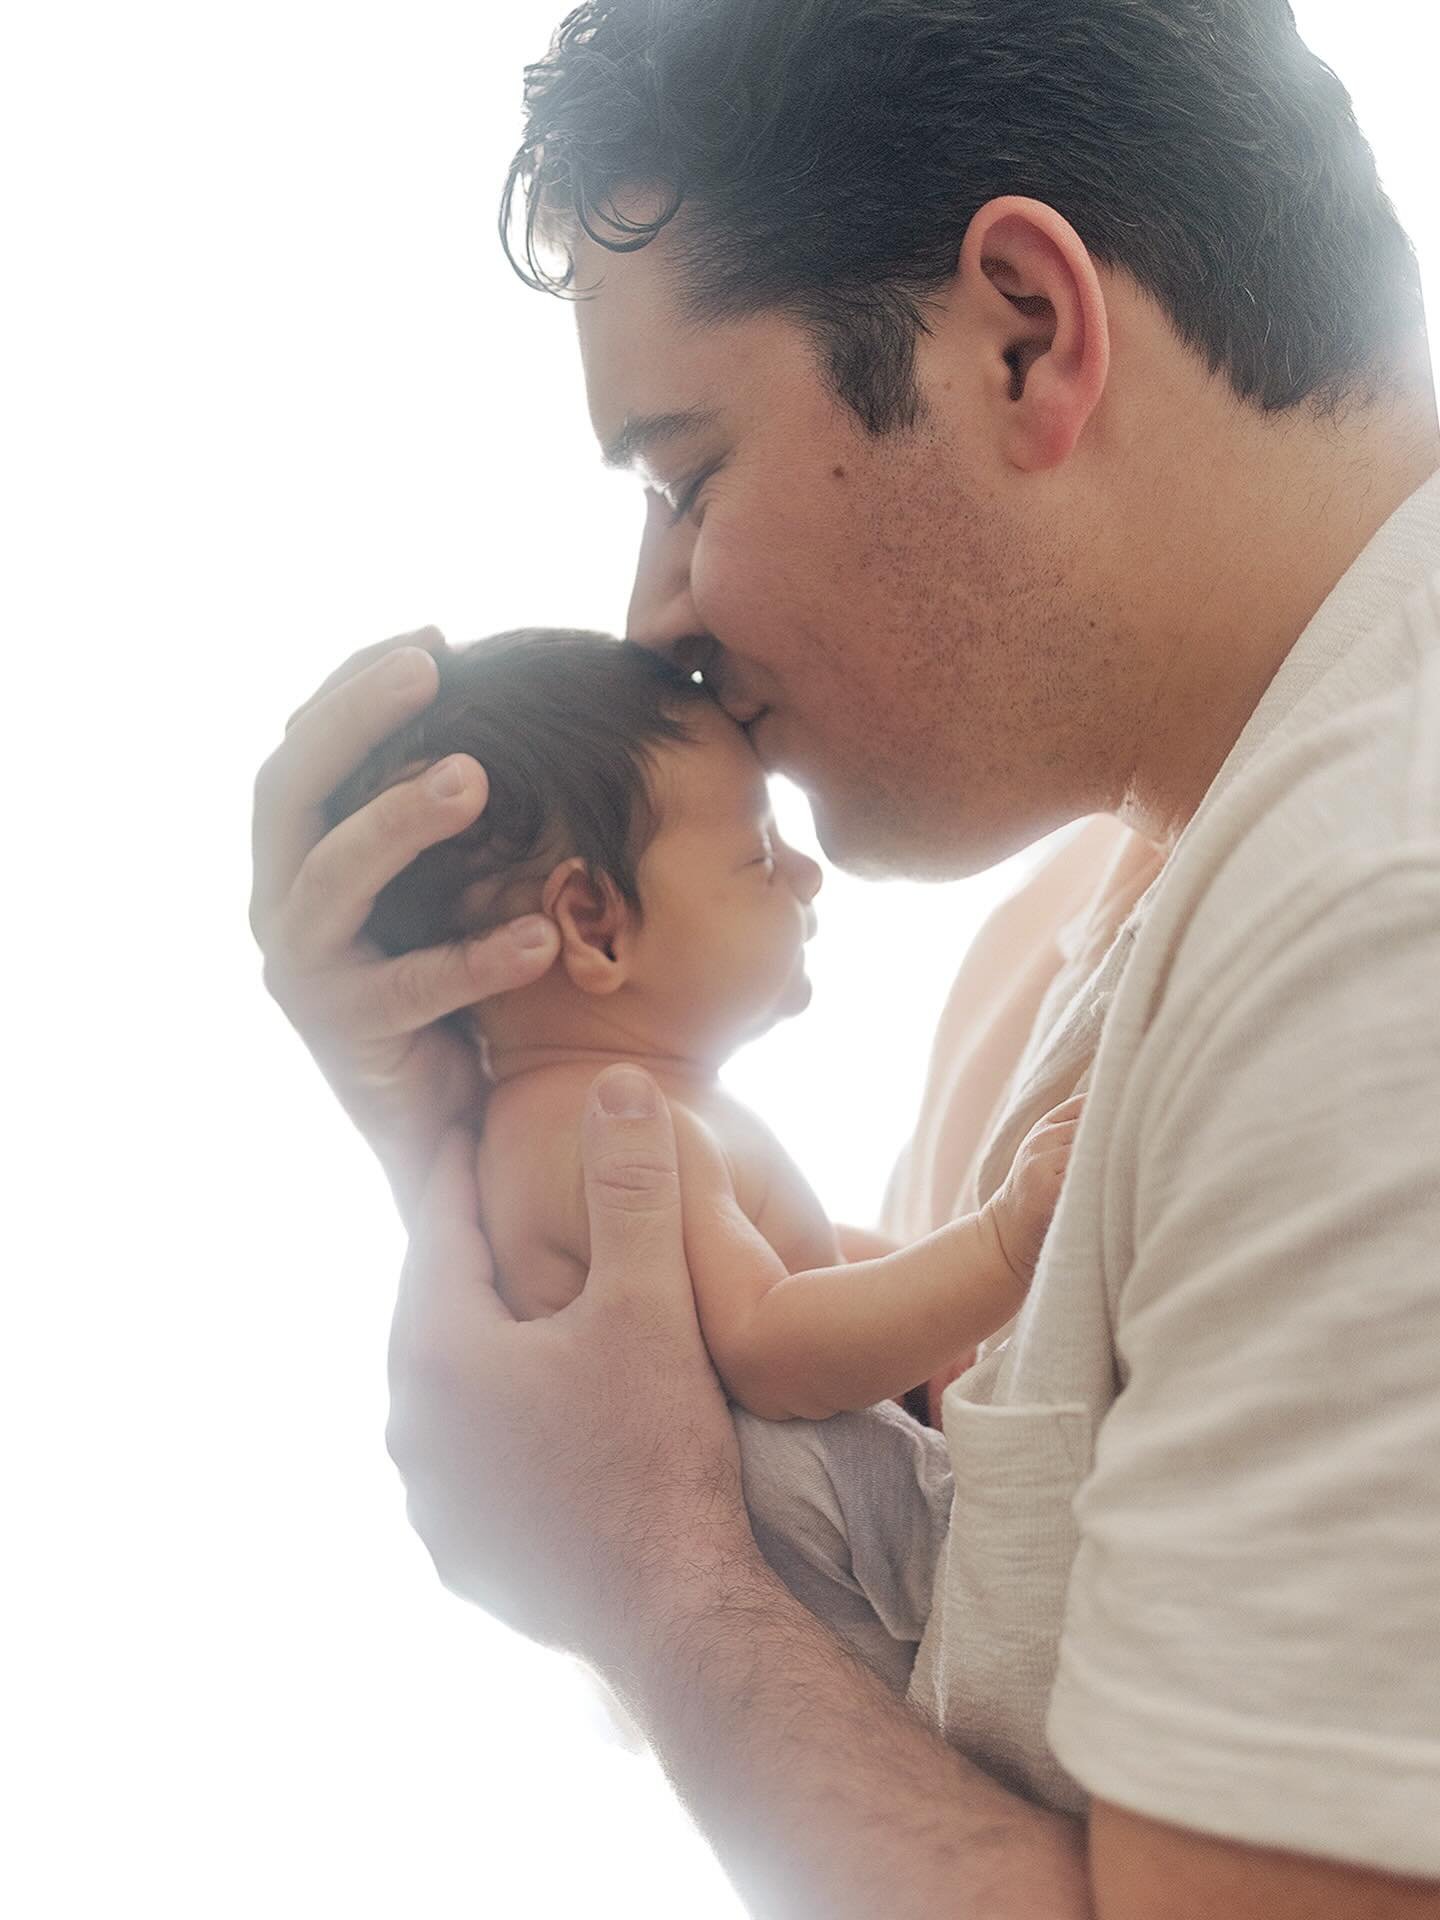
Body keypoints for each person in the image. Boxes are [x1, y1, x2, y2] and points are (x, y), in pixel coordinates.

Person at [249, 2, 1440, 1913]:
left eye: (683, 469)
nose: (656, 617)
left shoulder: (1376, 942)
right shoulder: (1072, 949)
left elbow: (735, 1642)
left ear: (1020, 337)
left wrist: (651, 1582)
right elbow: (874, 1672)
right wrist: (484, 1146)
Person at [328, 623, 1082, 1691]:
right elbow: (775, 1346)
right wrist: (998, 1247)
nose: (809, 875)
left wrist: (912, 1280)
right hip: (864, 1601)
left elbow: (789, 1262)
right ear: (594, 924)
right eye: (761, 854)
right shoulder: (622, 1130)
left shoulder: (585, 1116)